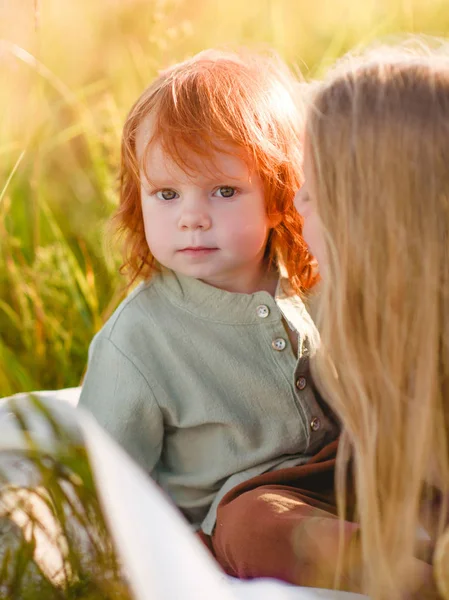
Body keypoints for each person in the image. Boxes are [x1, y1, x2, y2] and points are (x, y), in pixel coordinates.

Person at [210, 41, 449, 599]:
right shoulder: (368, 317)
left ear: (372, 222)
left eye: (313, 194)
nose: (295, 202)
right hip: (401, 489)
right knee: (252, 520)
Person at [78, 48, 339, 538]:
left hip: (342, 475)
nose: (191, 217)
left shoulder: (312, 283)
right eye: (168, 194)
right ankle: (411, 575)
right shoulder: (138, 340)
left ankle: (411, 544)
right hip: (246, 506)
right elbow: (103, 475)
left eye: (223, 191)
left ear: (279, 195)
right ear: (140, 198)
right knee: (257, 528)